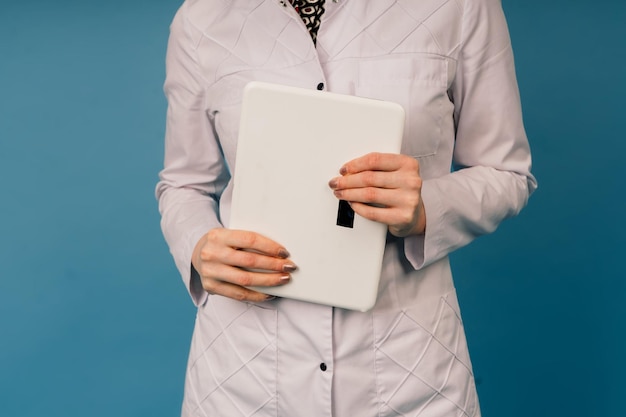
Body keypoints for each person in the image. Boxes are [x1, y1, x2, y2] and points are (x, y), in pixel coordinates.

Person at [156, 0, 536, 415]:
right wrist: (198, 245)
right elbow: (183, 182)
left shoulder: (461, 7)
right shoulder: (202, 18)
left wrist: (427, 206)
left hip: (408, 369)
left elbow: (507, 172)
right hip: (242, 372)